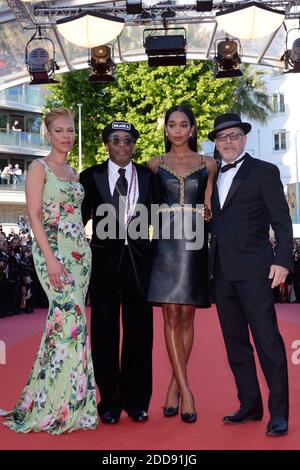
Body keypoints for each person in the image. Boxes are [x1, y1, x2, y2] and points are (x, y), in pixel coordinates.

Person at [0, 108, 98, 434]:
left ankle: (64, 402)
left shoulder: (73, 171)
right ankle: (55, 405)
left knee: (68, 326)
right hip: (52, 254)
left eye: (70, 130)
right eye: (59, 131)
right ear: (48, 134)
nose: (66, 136)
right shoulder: (38, 168)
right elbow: (34, 215)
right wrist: (51, 259)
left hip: (80, 255)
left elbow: (75, 217)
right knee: (71, 321)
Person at [209, 112, 293, 436]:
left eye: (234, 136)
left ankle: (279, 413)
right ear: (216, 143)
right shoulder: (212, 175)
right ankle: (250, 404)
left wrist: (283, 261)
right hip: (221, 274)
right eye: (222, 137)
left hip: (256, 272)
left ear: (244, 139)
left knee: (268, 342)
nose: (228, 142)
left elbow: (282, 221)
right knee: (236, 345)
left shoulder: (264, 172)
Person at [80, 121, 155, 424]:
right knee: (103, 333)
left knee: (140, 335)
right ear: (106, 144)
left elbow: (163, 219)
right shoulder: (89, 177)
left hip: (140, 266)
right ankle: (109, 401)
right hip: (103, 265)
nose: (122, 145)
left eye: (127, 140)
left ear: (134, 144)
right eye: (115, 140)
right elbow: (75, 220)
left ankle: (137, 401)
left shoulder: (149, 177)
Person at [147, 105, 216, 423]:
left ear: (192, 129)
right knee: (171, 315)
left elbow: (210, 204)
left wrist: (208, 213)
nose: (177, 130)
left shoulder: (209, 163)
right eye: (171, 125)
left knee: (187, 315)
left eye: (183, 124)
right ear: (165, 130)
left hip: (194, 244)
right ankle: (187, 392)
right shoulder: (154, 164)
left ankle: (175, 386)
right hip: (164, 244)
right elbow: (144, 205)